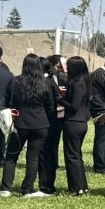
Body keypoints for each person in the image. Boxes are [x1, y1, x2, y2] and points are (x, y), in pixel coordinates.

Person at [0, 53, 54, 198]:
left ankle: (6, 188)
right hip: (40, 124)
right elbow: (50, 106)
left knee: (11, 157)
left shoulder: (16, 81)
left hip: (20, 123)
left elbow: (9, 100)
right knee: (33, 158)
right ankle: (27, 189)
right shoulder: (45, 83)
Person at [61, 56, 91, 196]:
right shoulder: (84, 82)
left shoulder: (78, 84)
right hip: (80, 122)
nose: (66, 69)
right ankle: (82, 186)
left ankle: (75, 188)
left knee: (71, 156)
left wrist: (60, 99)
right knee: (77, 155)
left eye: (68, 66)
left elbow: (74, 106)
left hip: (73, 122)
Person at [39, 55, 66, 194]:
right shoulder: (47, 80)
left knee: (54, 143)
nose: (60, 69)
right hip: (49, 117)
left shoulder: (60, 78)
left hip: (58, 115)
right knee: (46, 148)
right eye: (58, 66)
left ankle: (53, 166)